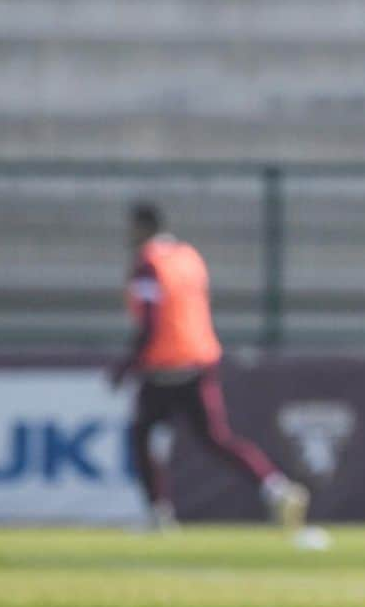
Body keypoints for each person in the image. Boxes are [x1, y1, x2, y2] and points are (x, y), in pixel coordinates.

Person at [110, 202, 309, 531]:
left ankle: (159, 514)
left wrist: (128, 364)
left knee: (142, 436)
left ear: (143, 227)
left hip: (163, 365)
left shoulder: (148, 263)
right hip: (199, 360)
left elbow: (151, 320)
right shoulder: (188, 257)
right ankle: (276, 487)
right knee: (218, 438)